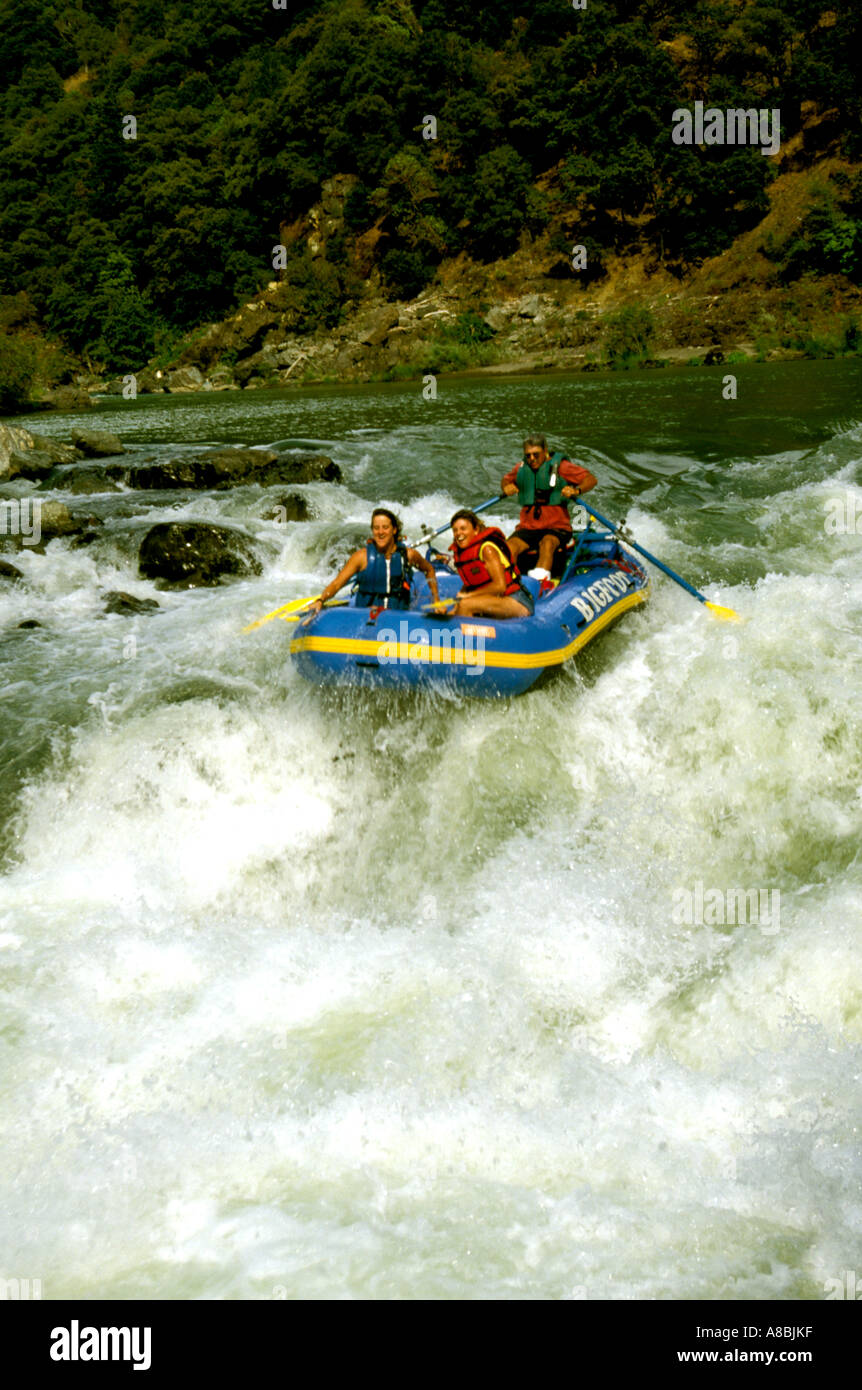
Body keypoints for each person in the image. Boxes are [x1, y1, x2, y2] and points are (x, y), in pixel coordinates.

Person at [306, 508, 439, 617]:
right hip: (366, 618)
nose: (380, 532)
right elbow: (337, 584)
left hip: (398, 617)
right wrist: (321, 600)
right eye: (376, 528)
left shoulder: (408, 555)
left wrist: (436, 599)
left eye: (385, 527)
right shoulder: (361, 557)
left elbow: (429, 570)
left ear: (394, 530)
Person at [501, 434, 597, 581]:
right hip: (528, 528)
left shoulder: (562, 467)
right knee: (509, 547)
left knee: (547, 543)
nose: (532, 459)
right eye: (528, 455)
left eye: (536, 454)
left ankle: (539, 584)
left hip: (557, 527)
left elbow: (590, 479)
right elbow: (506, 479)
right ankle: (504, 583)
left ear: (545, 451)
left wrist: (576, 491)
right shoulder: (521, 468)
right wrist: (506, 487)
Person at [444, 509, 534, 619]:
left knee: (466, 604)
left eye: (463, 529)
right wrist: (454, 608)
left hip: (516, 600)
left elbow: (500, 586)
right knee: (459, 607)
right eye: (455, 530)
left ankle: (461, 635)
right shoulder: (464, 554)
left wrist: (468, 596)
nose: (459, 534)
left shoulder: (486, 549)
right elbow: (472, 584)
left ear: (476, 530)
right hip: (493, 600)